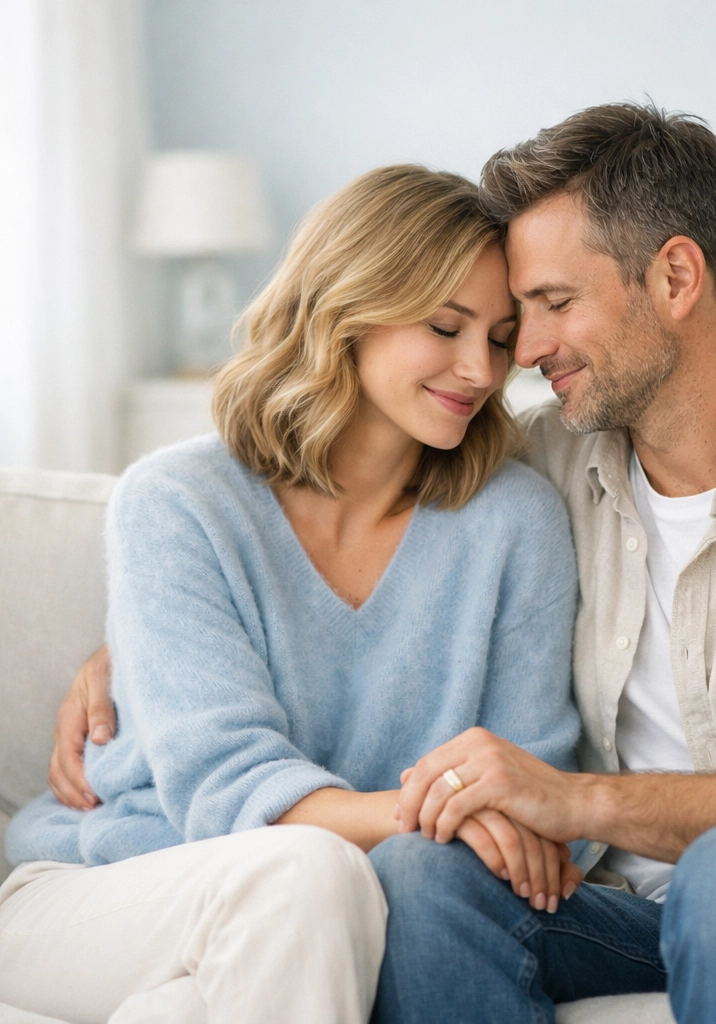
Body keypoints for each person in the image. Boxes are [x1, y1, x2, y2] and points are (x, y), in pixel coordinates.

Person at [46, 105, 716, 1023]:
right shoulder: (546, 463)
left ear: (677, 280)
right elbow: (309, 525)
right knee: (422, 872)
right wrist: (127, 653)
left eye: (547, 307)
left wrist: (575, 799)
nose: (517, 357)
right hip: (621, 905)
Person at [0, 165, 583, 1024]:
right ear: (347, 307)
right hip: (103, 887)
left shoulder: (514, 523)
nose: (480, 369)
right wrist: (436, 820)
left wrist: (490, 819)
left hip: (324, 920)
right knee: (309, 868)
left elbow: (533, 783)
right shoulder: (177, 502)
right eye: (445, 326)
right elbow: (227, 793)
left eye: (500, 338)